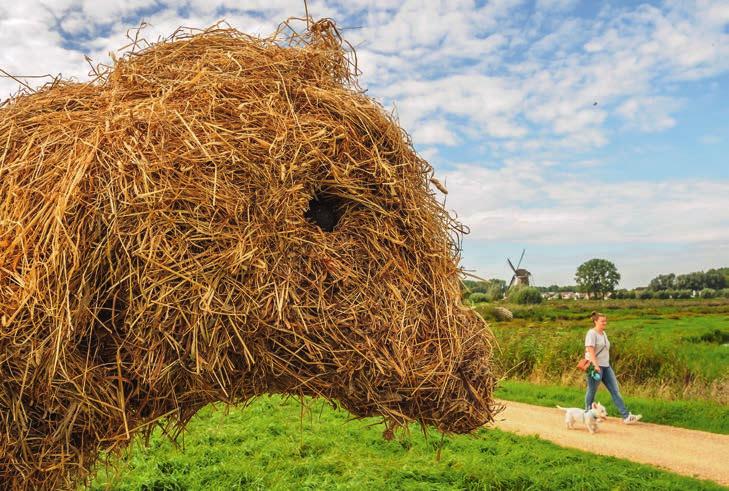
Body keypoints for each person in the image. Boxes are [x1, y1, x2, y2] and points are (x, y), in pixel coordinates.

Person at [584, 311, 642, 424]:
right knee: (592, 390)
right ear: (595, 321)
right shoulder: (591, 333)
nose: (605, 323)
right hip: (595, 366)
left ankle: (626, 417)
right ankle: (587, 414)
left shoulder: (603, 334)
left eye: (605, 321)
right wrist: (596, 366)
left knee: (615, 390)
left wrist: (604, 364)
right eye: (602, 321)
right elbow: (590, 350)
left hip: (606, 366)